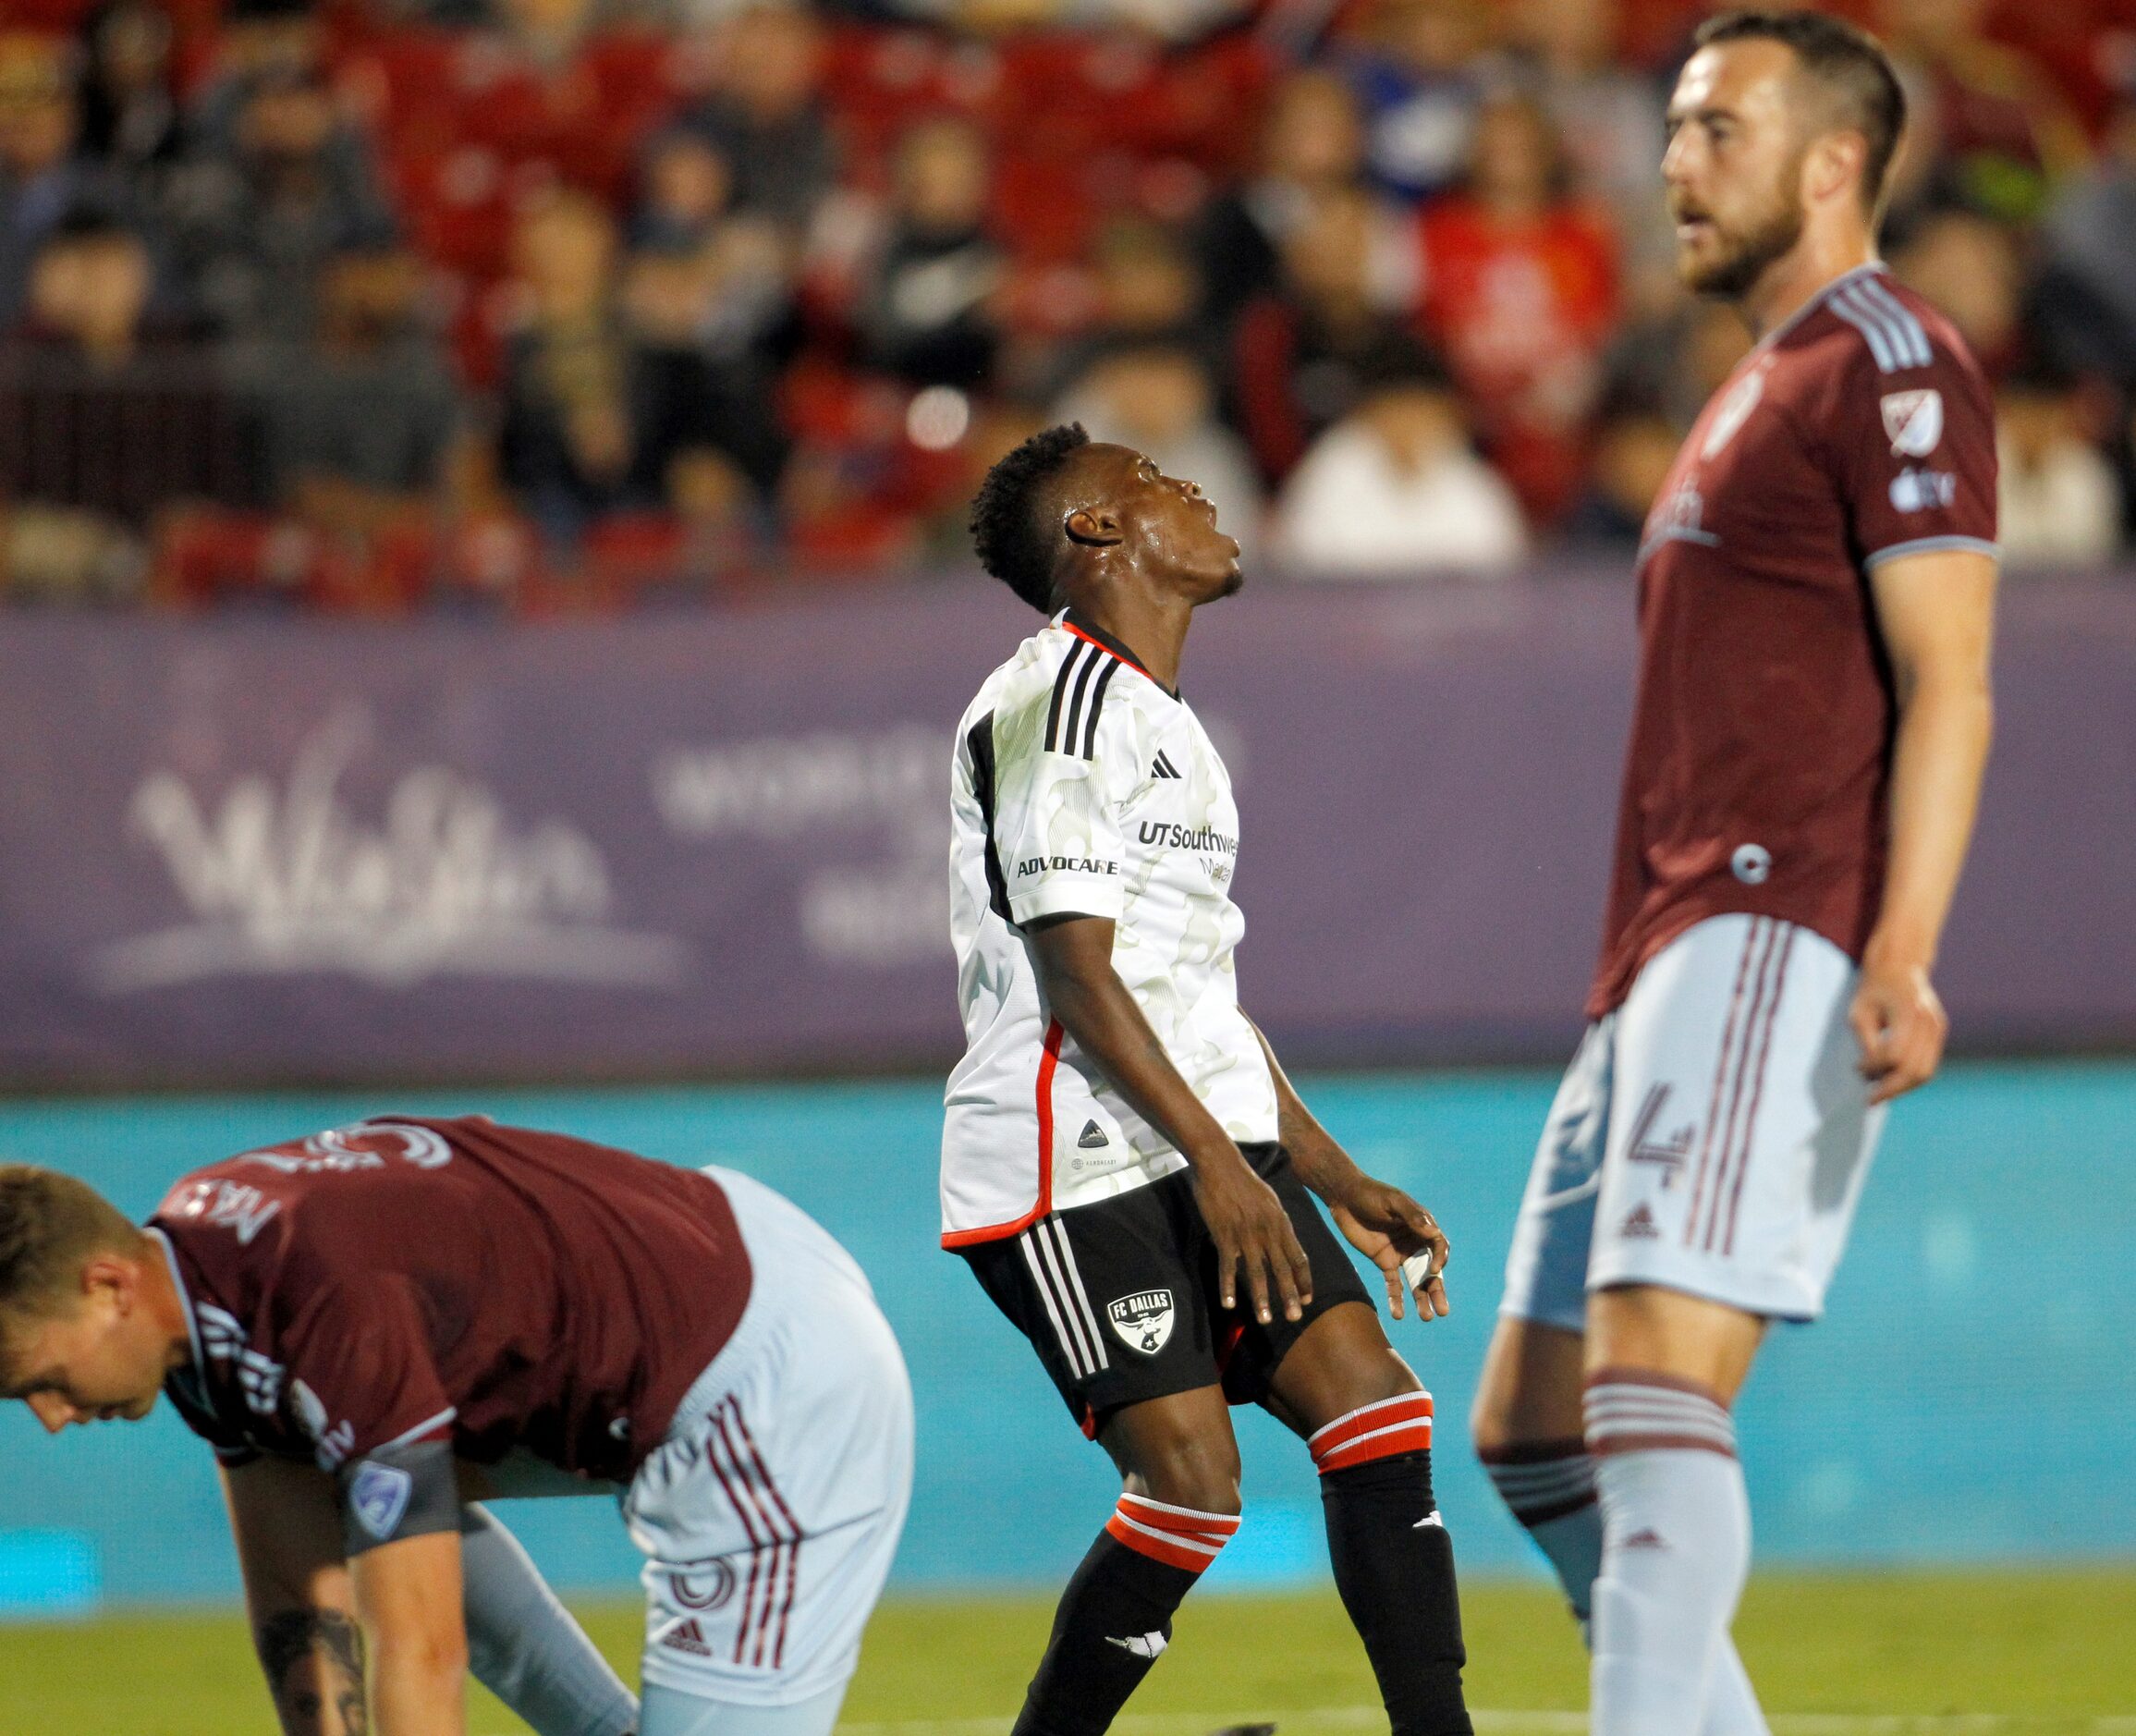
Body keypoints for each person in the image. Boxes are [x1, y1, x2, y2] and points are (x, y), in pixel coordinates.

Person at [1467, 15, 1999, 1736]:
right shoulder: (1754, 382)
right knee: (1533, 1426)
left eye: (1715, 131)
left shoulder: (1890, 365)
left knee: (1648, 1382)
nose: (1673, 166)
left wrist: (1903, 946)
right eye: (1674, 130)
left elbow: (1954, 677)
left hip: (1778, 915)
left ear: (1832, 160)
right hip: (1664, 946)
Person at [946, 422, 1472, 1736]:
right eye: (1157, 484)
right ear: (1096, 533)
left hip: (1193, 1142)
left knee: (1375, 1409)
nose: (1197, 494)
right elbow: (1076, 976)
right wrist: (1224, 1166)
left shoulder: (1162, 721)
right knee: (1191, 1488)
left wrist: (1331, 1174)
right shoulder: (1049, 704)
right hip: (1067, 1155)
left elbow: (1193, 1001)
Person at [0, 1114, 913, 1736]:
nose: (46, 1416)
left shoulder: (319, 1298)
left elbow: (420, 1645)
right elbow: (297, 1588)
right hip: (693, 1289)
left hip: (764, 1378)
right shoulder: (199, 1289)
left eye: (38, 1379)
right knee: (342, 1479)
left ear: (108, 1288)